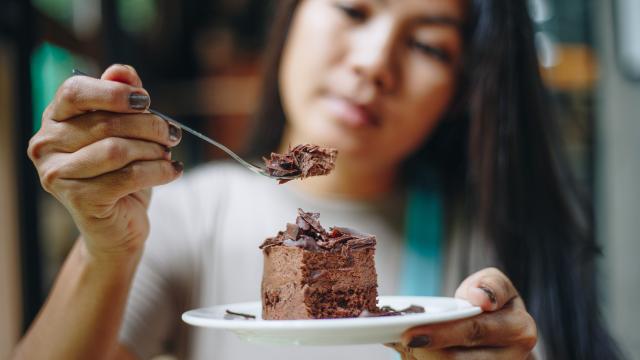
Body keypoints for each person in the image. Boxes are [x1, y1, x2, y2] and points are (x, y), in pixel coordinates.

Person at [14, 0, 621, 359]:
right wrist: (104, 250)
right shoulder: (181, 215)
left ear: (464, 90)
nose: (373, 63)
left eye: (430, 47)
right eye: (353, 9)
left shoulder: (491, 252)